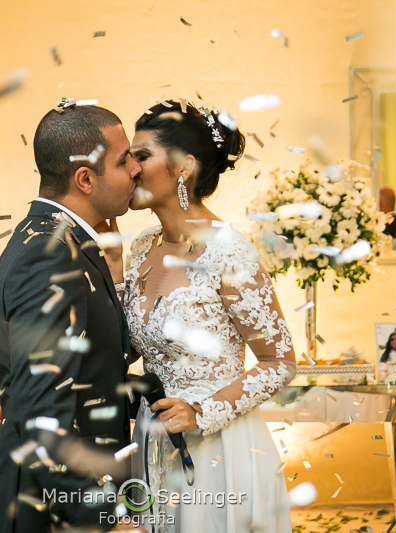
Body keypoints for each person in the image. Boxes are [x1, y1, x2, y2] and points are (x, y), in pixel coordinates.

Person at [113, 101, 296, 532]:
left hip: (219, 449)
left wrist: (202, 411)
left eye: (142, 156)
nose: (131, 169)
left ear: (183, 167)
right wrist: (112, 271)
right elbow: (130, 347)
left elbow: (280, 362)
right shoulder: (142, 247)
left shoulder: (229, 253)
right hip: (153, 443)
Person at [0, 102, 145, 533]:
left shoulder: (61, 240)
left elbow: (88, 365)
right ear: (85, 179)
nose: (135, 169)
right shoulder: (50, 255)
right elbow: (41, 415)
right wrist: (104, 520)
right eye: (123, 160)